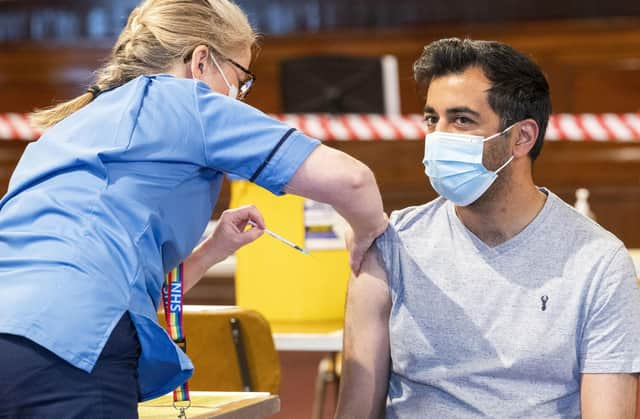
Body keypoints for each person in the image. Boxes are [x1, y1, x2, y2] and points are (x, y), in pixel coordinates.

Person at [0, 0, 387, 417]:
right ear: (201, 60)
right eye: (241, 79)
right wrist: (367, 233)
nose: (238, 96)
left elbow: (117, 280)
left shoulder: (72, 125)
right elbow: (353, 180)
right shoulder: (186, 101)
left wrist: (211, 251)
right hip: (73, 346)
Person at [336, 38, 640, 418]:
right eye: (433, 119)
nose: (439, 138)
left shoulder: (599, 263)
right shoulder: (390, 244)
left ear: (522, 137)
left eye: (461, 120)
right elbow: (354, 412)